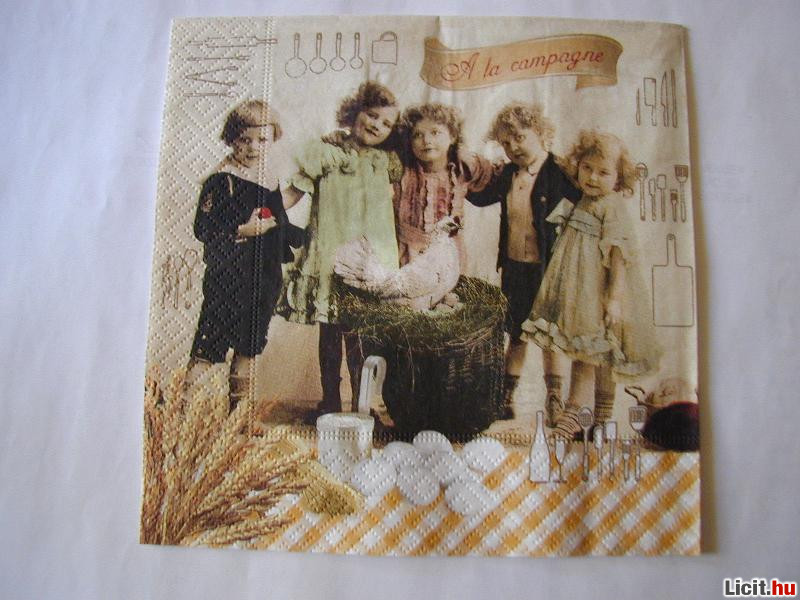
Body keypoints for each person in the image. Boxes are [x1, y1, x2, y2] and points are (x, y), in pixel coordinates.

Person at [522, 130, 660, 437]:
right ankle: (599, 421)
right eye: (587, 168)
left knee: (590, 355)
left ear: (619, 178)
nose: (593, 177)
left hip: (600, 293)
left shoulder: (611, 206)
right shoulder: (583, 199)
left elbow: (619, 254)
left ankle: (577, 414)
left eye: (603, 172)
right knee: (596, 354)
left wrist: (614, 298)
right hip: (579, 291)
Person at [278, 81, 402, 415]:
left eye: (386, 123)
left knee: (362, 337)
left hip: (368, 263)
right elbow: (293, 193)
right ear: (354, 112)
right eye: (372, 115)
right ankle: (329, 401)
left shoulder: (388, 161)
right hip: (330, 257)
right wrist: (261, 213)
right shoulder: (326, 152)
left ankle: (363, 405)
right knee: (330, 333)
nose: (376, 125)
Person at [185, 100, 306, 412]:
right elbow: (203, 228)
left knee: (248, 348)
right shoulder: (222, 179)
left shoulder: (268, 177)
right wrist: (243, 229)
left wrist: (304, 186)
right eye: (244, 139)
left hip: (263, 276)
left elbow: (277, 213)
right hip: (229, 276)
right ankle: (181, 412)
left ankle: (239, 418)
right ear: (231, 139)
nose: (253, 147)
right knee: (210, 344)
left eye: (261, 139)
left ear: (273, 138)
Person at [467, 102, 580, 421]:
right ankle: (505, 397)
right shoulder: (508, 173)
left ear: (541, 133)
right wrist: (460, 176)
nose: (513, 147)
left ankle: (554, 398)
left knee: (549, 335)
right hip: (515, 267)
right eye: (506, 142)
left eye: (519, 137)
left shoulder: (559, 172)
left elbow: (580, 208)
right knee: (516, 333)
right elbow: (481, 197)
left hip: (548, 269)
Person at [393, 102, 494, 269]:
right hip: (407, 255)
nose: (426, 140)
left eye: (435, 132)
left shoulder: (461, 167)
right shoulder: (402, 169)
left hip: (448, 255)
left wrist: (465, 154)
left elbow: (494, 174)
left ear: (452, 136)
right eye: (417, 135)